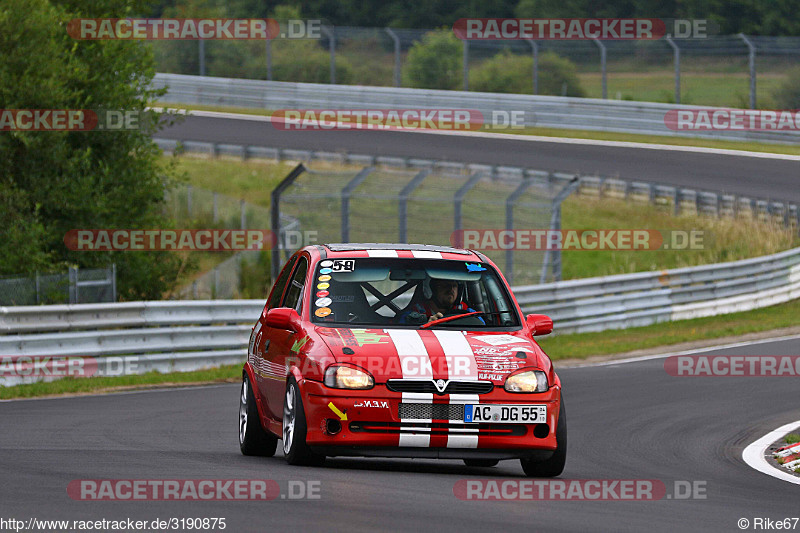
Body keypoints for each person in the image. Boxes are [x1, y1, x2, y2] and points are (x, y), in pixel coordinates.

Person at [400, 278, 483, 325]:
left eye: (454, 286)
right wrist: (425, 325)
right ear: (430, 290)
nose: (451, 290)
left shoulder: (469, 313)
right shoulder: (412, 316)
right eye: (444, 286)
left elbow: (484, 331)